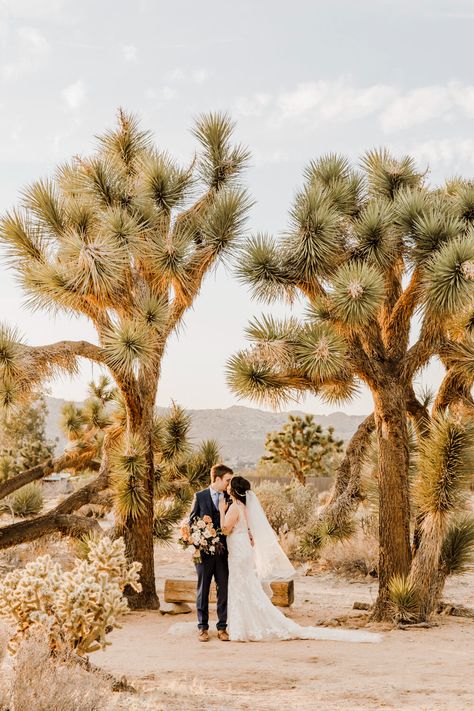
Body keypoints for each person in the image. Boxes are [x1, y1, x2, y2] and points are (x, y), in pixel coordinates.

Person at [218, 476, 382, 643]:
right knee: (246, 586)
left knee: (239, 585)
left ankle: (243, 627)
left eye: (229, 484)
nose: (227, 486)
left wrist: (221, 511)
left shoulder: (233, 508)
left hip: (238, 551)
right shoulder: (245, 506)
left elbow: (225, 529)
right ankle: (247, 624)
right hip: (244, 549)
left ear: (233, 490)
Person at [189, 463, 233, 642]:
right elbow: (191, 521)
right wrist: (198, 539)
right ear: (217, 479)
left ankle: (222, 627)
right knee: (203, 589)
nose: (229, 484)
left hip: (223, 553)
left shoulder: (229, 498)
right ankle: (203, 628)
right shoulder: (200, 496)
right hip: (203, 553)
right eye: (227, 480)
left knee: (223, 589)